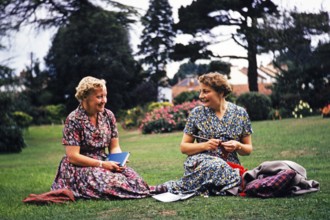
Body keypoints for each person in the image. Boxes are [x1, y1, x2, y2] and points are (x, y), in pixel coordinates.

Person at [51, 76, 150, 199]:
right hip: (80, 166)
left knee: (137, 181)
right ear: (85, 97)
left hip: (105, 161)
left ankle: (140, 191)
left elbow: (114, 146)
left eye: (105, 96)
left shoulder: (108, 115)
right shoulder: (73, 120)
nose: (104, 100)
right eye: (99, 97)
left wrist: (119, 161)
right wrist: (102, 164)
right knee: (112, 183)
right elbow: (73, 157)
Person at [160, 72, 253, 196]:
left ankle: (211, 185)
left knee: (222, 167)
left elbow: (248, 149)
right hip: (201, 162)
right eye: (200, 91)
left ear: (220, 92)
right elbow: (184, 148)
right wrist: (205, 146)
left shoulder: (240, 113)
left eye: (206, 91)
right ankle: (225, 185)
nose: (201, 96)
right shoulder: (196, 113)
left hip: (229, 166)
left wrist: (238, 146)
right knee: (215, 165)